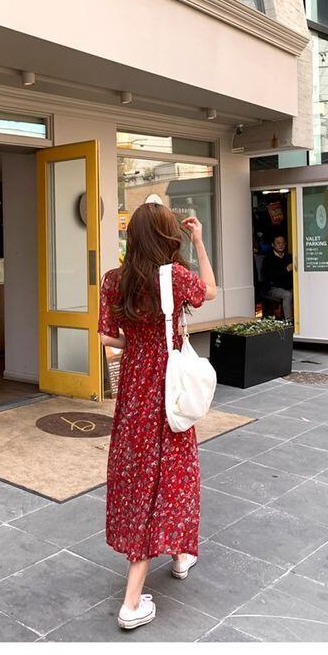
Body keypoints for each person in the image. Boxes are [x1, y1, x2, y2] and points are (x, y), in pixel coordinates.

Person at [99, 202, 217, 631]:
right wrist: (199, 241)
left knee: (140, 478)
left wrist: (138, 345)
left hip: (134, 393)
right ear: (167, 237)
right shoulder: (175, 276)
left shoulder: (114, 280)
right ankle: (131, 602)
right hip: (168, 391)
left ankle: (181, 553)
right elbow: (210, 291)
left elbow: (107, 337)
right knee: (171, 477)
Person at [261, 233, 294, 320]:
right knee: (287, 295)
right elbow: (271, 277)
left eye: (283, 243)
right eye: (278, 243)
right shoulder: (268, 259)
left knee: (299, 292)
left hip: (287, 286)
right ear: (273, 245)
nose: (281, 245)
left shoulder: (289, 257)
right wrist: (286, 270)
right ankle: (289, 321)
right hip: (273, 287)